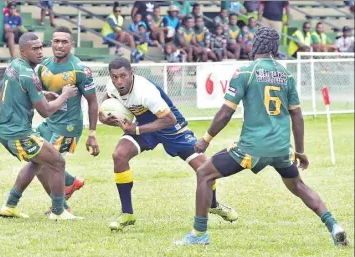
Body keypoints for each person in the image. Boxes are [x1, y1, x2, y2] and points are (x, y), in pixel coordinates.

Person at [175, 27, 349, 246]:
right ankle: (334, 225)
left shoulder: (245, 72)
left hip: (251, 148)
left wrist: (206, 139)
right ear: (274, 49)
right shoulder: (286, 75)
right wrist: (300, 151)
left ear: (256, 45)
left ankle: (199, 235)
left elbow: (225, 112)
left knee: (204, 173)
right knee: (299, 186)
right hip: (281, 149)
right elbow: (297, 116)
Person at [99, 57, 238, 231]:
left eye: (123, 76)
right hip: (144, 126)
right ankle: (127, 213)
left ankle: (213, 203)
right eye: (115, 77)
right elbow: (105, 106)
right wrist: (104, 117)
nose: (119, 81)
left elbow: (169, 120)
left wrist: (135, 130)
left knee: (204, 168)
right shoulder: (112, 86)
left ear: (131, 73)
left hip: (171, 127)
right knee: (119, 155)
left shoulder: (145, 91)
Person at [0, 32, 81, 220]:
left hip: (8, 130)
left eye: (41, 47)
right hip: (18, 133)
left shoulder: (14, 65)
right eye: (34, 49)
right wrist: (64, 95)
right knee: (58, 162)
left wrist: (42, 93)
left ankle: (10, 206)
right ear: (23, 51)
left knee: (37, 163)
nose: (40, 52)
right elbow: (46, 111)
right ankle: (59, 211)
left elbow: (16, 92)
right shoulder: (30, 75)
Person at [34, 26, 100, 213]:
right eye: (56, 41)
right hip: (50, 123)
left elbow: (93, 101)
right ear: (51, 43)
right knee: (35, 163)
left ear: (71, 45)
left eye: (64, 41)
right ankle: (68, 187)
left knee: (47, 164)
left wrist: (92, 133)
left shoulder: (80, 69)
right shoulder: (44, 66)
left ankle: (61, 205)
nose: (60, 45)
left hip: (69, 127)